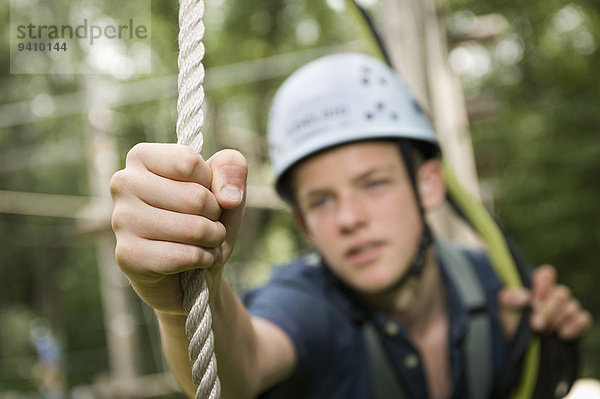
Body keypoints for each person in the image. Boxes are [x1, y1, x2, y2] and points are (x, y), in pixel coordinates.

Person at [110, 53, 592, 399]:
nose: (349, 218)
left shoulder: (496, 289)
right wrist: (184, 305)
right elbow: (244, 366)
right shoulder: (309, 305)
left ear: (427, 185)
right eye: (322, 201)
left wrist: (537, 344)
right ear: (303, 223)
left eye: (374, 183)